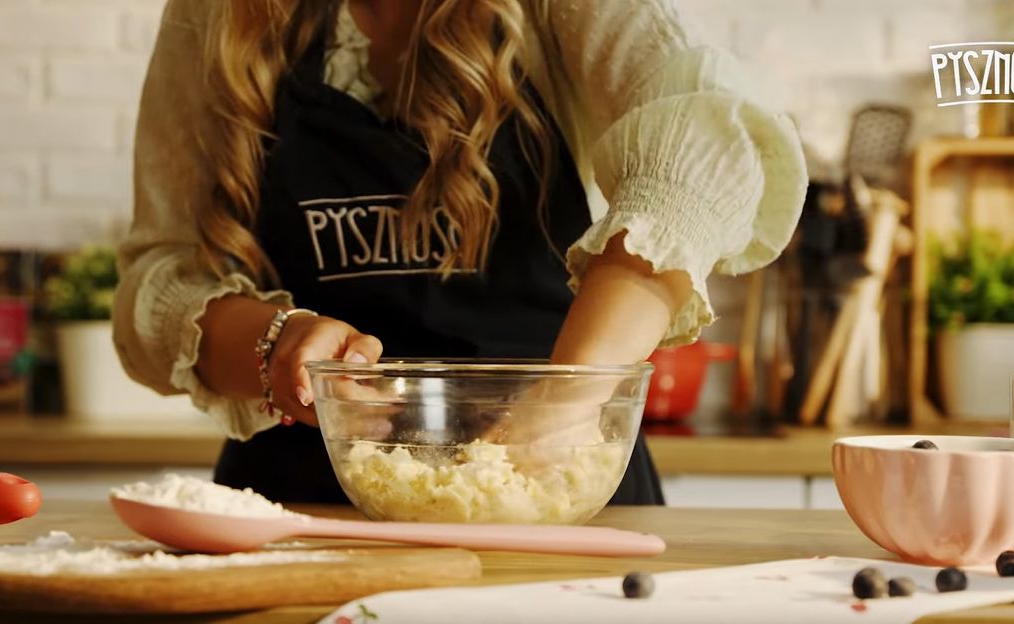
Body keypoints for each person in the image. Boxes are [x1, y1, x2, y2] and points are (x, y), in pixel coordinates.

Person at [114, 0, 807, 505]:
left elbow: (709, 133)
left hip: (561, 488)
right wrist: (275, 347)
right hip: (302, 504)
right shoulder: (218, 16)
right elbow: (159, 276)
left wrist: (567, 398)